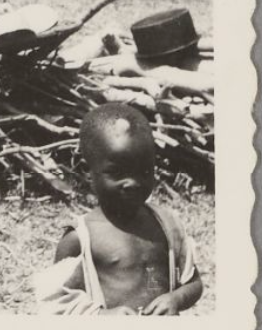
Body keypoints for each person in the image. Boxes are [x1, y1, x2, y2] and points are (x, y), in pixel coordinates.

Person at [33, 103, 203, 315]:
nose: (132, 182)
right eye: (117, 172)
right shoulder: (80, 239)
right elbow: (56, 303)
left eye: (144, 171)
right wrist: (104, 316)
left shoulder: (168, 226)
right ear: (88, 172)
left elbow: (193, 282)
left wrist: (176, 298)